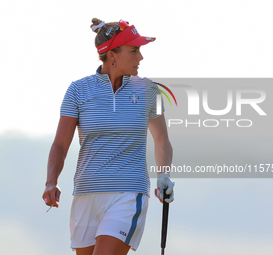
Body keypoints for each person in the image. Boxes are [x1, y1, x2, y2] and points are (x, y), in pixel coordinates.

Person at [42, 18, 175, 255]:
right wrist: (51, 180)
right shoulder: (78, 90)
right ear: (112, 55)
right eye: (134, 51)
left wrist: (163, 174)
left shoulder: (149, 90)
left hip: (128, 193)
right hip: (86, 193)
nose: (140, 57)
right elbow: (61, 144)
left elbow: (162, 139)